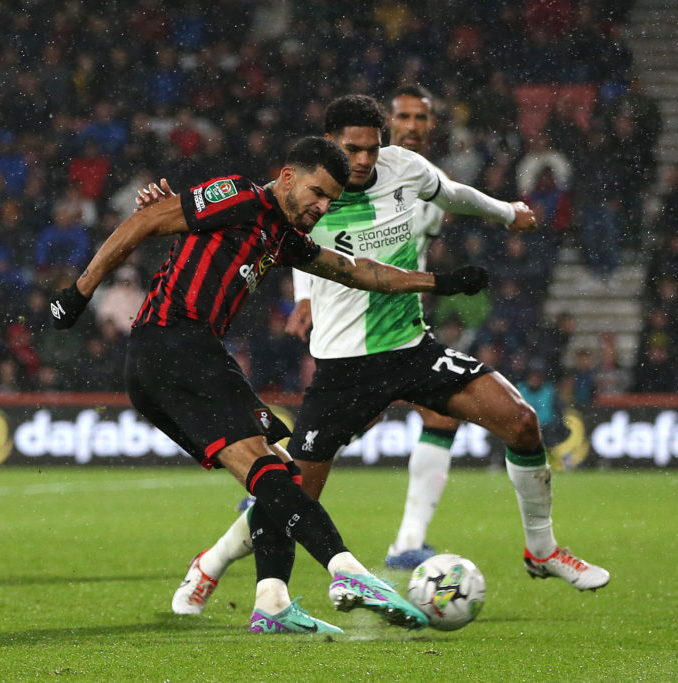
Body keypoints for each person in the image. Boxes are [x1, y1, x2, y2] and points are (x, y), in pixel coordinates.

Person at [172, 95, 609, 618]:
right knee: (291, 497)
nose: (363, 160)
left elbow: (451, 193)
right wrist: (305, 293)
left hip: (410, 348)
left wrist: (506, 212)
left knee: (520, 420)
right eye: (352, 149)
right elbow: (275, 234)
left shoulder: (403, 167)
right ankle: (212, 563)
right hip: (343, 367)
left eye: (371, 149)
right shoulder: (310, 193)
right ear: (331, 143)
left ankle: (542, 550)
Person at [49, 136, 490, 634]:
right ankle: (348, 571)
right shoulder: (238, 195)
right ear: (286, 177)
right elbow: (145, 220)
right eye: (317, 193)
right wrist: (78, 293)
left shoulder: (281, 238)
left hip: (185, 357)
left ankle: (273, 601)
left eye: (330, 201)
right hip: (173, 344)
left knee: (280, 474)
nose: (322, 207)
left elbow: (357, 271)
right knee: (269, 470)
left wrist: (441, 283)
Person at [291, 85, 465, 569]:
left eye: (421, 118)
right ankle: (275, 488)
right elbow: (308, 232)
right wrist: (303, 298)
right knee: (345, 430)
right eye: (404, 117)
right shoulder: (346, 177)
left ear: (431, 125)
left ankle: (408, 540)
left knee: (438, 416)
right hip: (353, 321)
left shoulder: (426, 181)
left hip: (401, 321)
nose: (412, 125)